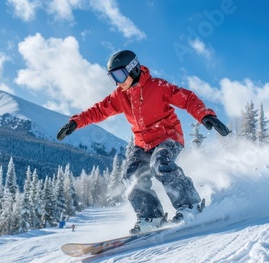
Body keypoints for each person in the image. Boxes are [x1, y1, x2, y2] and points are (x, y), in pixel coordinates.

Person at [57, 50, 230, 234]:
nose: (117, 82)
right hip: (142, 144)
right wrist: (76, 122)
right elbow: (99, 110)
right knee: (131, 175)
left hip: (168, 137)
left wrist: (205, 115)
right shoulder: (120, 95)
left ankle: (190, 205)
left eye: (119, 75)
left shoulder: (158, 87)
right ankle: (151, 216)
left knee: (160, 163)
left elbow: (187, 99)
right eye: (113, 77)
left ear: (133, 69)